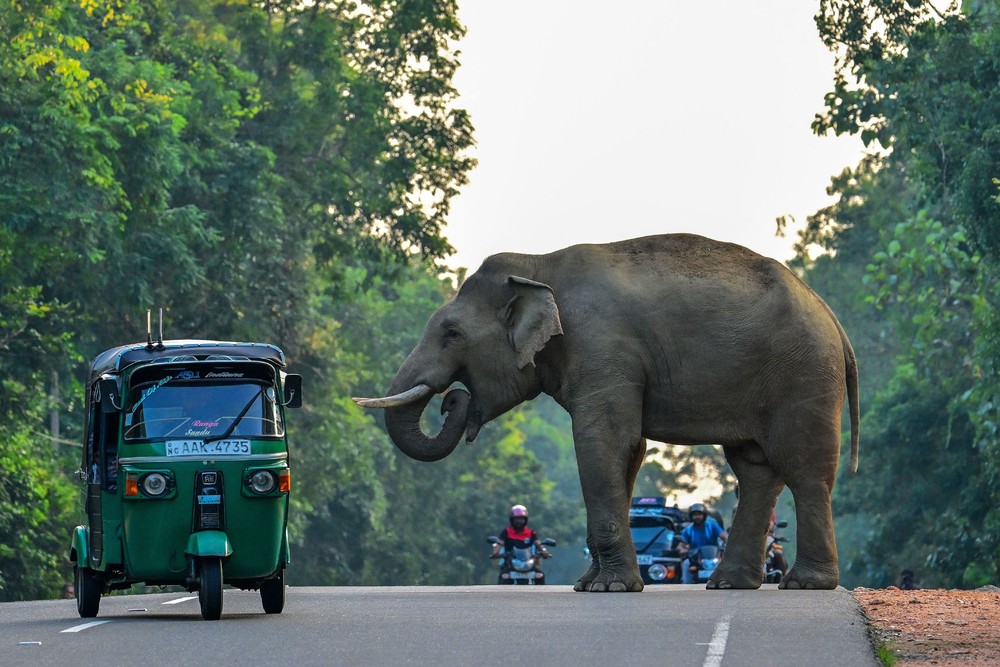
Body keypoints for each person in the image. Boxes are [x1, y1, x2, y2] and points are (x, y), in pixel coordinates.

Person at [492, 504, 550, 584]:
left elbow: (538, 543)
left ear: (525, 520)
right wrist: (496, 552)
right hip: (510, 564)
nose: (519, 522)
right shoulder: (507, 532)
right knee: (503, 576)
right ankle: (502, 595)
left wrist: (544, 551)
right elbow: (500, 543)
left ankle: (542, 595)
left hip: (528, 563)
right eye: (516, 519)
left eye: (521, 519)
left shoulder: (530, 533)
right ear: (512, 520)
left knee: (540, 575)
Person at [678, 503, 728, 584]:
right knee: (686, 563)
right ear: (691, 516)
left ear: (704, 515)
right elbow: (681, 544)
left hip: (714, 556)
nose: (697, 517)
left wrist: (728, 542)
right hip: (696, 558)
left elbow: (724, 536)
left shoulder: (712, 526)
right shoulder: (688, 530)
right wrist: (682, 550)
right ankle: (686, 585)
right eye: (695, 515)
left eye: (699, 514)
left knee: (727, 563)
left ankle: (726, 582)